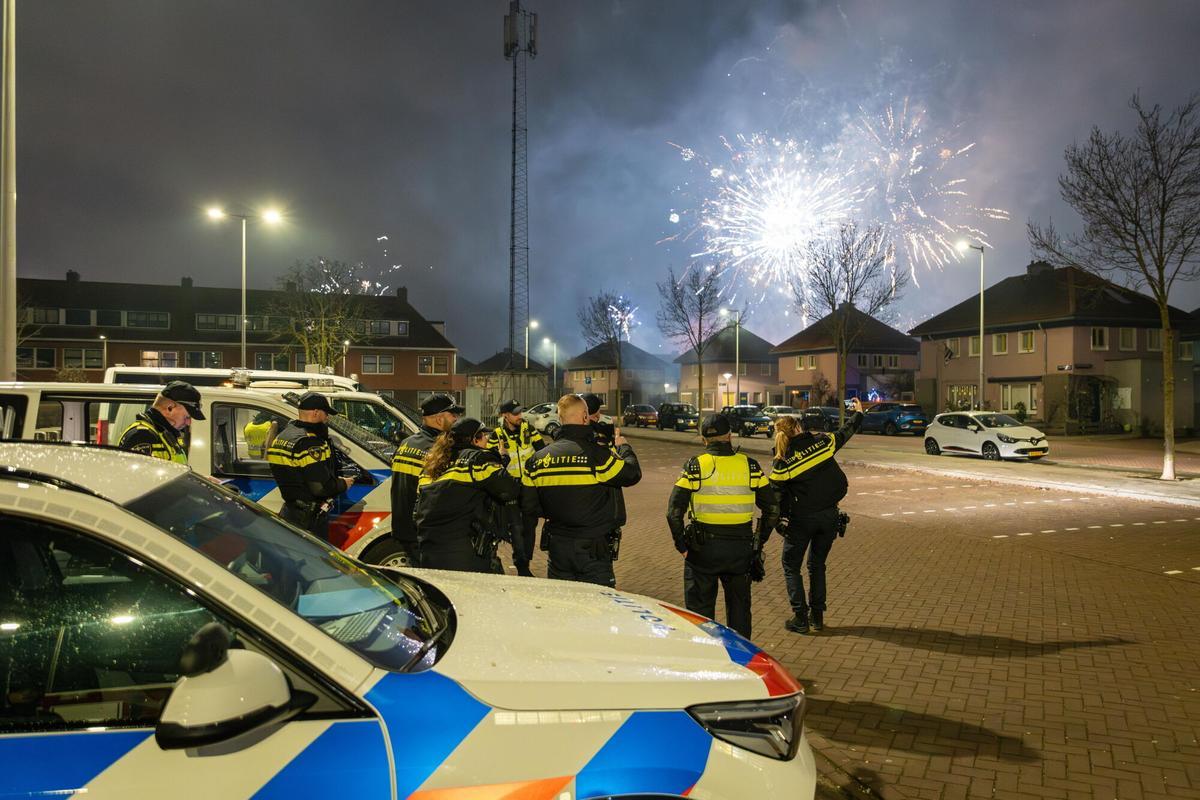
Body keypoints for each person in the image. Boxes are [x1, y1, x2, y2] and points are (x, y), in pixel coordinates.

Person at [666, 414, 779, 639]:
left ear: (704, 440)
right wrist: (758, 541)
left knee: (699, 617)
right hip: (740, 550)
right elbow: (773, 509)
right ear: (729, 435)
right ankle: (740, 663)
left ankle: (706, 661)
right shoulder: (750, 465)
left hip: (702, 550)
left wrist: (682, 546)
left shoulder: (695, 466)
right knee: (739, 613)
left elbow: (674, 512)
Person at [522, 394, 641, 587]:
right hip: (592, 549)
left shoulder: (537, 460)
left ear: (560, 419)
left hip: (558, 548)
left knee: (563, 607)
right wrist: (624, 447)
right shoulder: (596, 455)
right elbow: (632, 474)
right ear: (585, 417)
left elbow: (529, 507)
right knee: (599, 609)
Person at [770, 397, 864, 634]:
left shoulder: (782, 462)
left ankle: (800, 618)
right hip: (829, 516)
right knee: (817, 565)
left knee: (791, 566)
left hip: (801, 520)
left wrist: (778, 523)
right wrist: (859, 414)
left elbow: (776, 498)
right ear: (799, 428)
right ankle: (817, 617)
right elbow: (845, 433)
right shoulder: (822, 444)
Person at [415, 417, 523, 573]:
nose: (487, 439)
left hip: (429, 549)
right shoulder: (477, 460)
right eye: (484, 436)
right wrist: (500, 458)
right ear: (475, 440)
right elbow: (510, 488)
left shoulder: (434, 464)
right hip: (463, 553)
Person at [266, 392, 354, 540]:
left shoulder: (284, 436)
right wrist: (343, 484)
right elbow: (320, 487)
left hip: (290, 511)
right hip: (308, 519)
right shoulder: (309, 443)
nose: (327, 418)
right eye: (326, 413)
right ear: (315, 412)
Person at [389, 394, 464, 566]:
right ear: (439, 419)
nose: (456, 419)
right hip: (424, 533)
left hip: (404, 529)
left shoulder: (407, 443)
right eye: (452, 415)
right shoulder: (437, 450)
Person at [488, 399, 545, 577]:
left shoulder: (529, 429)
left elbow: (542, 451)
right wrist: (500, 457)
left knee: (529, 527)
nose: (520, 416)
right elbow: (489, 463)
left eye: (520, 412)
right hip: (510, 488)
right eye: (515, 413)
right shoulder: (496, 435)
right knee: (516, 528)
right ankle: (521, 566)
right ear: (505, 415)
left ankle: (524, 561)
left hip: (529, 487)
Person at [117, 380, 204, 463]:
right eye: (187, 417)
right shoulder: (142, 436)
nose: (189, 422)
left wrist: (196, 478)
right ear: (170, 408)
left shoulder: (163, 434)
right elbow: (140, 477)